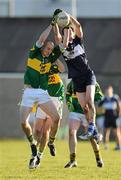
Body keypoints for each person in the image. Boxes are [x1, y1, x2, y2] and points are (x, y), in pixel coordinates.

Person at [19, 24, 62, 169]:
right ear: (42, 47)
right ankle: (32, 146)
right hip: (29, 92)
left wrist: (60, 27)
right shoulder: (34, 54)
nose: (49, 51)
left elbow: (60, 43)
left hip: (43, 93)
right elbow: (41, 38)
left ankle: (50, 142)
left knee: (57, 118)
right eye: (47, 48)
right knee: (23, 123)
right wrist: (51, 25)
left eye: (51, 49)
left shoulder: (50, 59)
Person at [52, 9, 97, 139]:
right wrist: (55, 22)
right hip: (76, 79)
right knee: (85, 108)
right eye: (67, 30)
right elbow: (56, 36)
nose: (70, 31)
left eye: (70, 30)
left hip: (87, 75)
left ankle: (91, 127)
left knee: (89, 101)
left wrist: (67, 16)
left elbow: (78, 26)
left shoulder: (78, 41)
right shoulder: (62, 47)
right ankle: (93, 131)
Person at [65, 80, 104, 168]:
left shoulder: (92, 81)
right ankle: (72, 160)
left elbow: (100, 97)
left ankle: (98, 158)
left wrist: (89, 101)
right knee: (71, 132)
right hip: (75, 112)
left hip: (88, 113)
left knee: (91, 137)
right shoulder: (72, 82)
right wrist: (69, 103)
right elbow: (68, 95)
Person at [33, 60, 65, 167]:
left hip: (55, 98)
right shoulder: (38, 68)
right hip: (44, 98)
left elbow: (62, 69)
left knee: (46, 129)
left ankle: (39, 155)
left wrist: (55, 58)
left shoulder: (52, 65)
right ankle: (35, 151)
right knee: (37, 130)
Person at [99, 85, 121, 150]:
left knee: (116, 132)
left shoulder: (115, 98)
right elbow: (99, 106)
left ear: (111, 91)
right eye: (107, 91)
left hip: (114, 118)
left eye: (109, 90)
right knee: (106, 132)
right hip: (106, 118)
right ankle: (106, 146)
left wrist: (118, 115)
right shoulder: (104, 99)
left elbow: (119, 106)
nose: (108, 92)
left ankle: (118, 146)